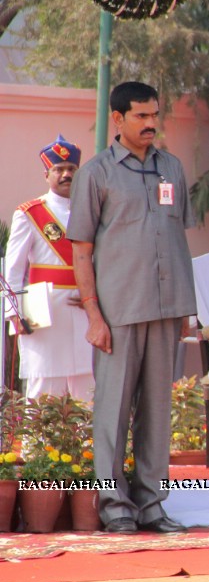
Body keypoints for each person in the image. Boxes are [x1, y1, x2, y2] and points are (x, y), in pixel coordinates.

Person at [67, 81, 195, 535]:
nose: (151, 124)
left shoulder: (173, 169)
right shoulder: (96, 174)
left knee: (158, 412)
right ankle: (114, 505)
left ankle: (152, 505)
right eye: (141, 116)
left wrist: (184, 311)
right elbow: (81, 250)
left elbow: (179, 237)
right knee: (112, 411)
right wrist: (94, 315)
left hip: (165, 309)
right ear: (117, 119)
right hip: (118, 313)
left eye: (154, 114)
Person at [3, 136, 94, 400]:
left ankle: (87, 443)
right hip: (45, 311)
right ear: (47, 174)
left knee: (88, 387)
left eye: (71, 169)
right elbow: (14, 269)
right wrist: (14, 313)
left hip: (86, 308)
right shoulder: (30, 213)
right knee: (45, 389)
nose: (66, 174)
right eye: (59, 169)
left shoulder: (93, 210)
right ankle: (38, 444)